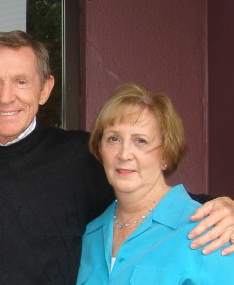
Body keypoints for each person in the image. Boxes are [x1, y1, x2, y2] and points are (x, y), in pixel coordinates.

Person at [0, 30, 234, 284]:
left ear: (44, 90)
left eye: (21, 81)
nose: (7, 97)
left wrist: (223, 206)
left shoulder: (80, 154)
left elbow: (145, 192)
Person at [78, 83, 234, 284]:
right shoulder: (91, 234)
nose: (124, 154)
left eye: (140, 141)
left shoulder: (209, 230)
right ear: (100, 149)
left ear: (166, 155)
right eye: (113, 139)